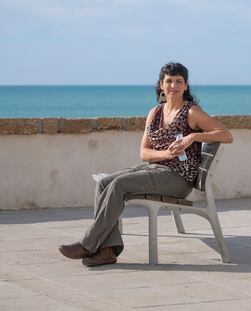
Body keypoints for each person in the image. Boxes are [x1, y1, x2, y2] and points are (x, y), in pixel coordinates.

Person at [59, 62, 233, 266]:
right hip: (156, 169)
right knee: (105, 183)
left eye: (179, 81)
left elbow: (226, 135)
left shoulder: (191, 112)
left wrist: (192, 137)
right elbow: (144, 153)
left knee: (119, 185)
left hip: (179, 179)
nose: (173, 86)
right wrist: (165, 154)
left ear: (186, 86)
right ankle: (106, 250)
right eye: (169, 81)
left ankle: (88, 244)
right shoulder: (154, 113)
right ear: (161, 85)